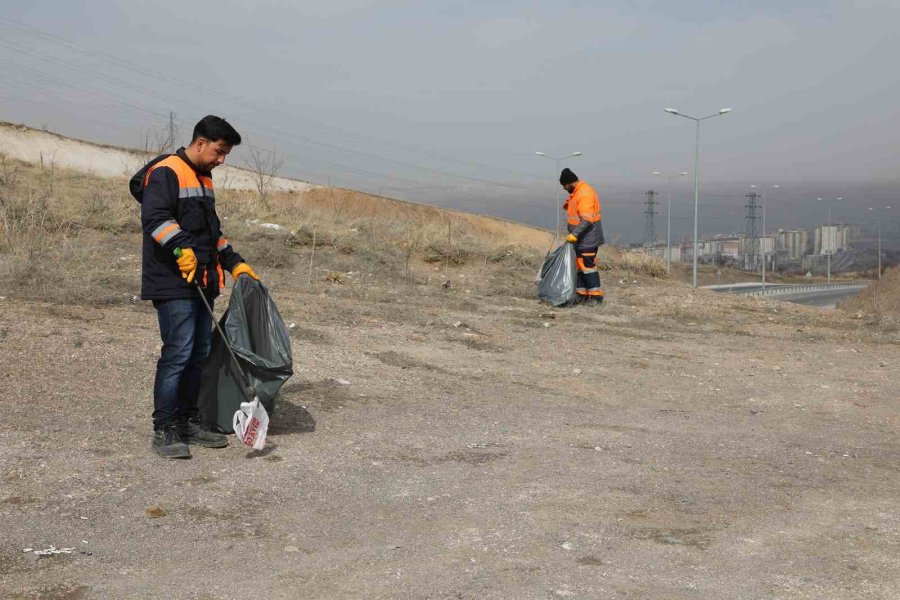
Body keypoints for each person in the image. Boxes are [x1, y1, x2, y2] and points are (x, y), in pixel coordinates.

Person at [130, 115, 260, 459]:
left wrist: (234, 263)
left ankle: (188, 420)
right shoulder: (168, 171)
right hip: (172, 281)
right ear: (200, 142)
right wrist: (179, 248)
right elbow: (155, 219)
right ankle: (166, 427)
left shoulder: (204, 178)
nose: (221, 159)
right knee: (178, 354)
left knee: (199, 355)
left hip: (203, 281)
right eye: (219, 151)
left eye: (226, 154)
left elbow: (211, 231)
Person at [560, 168, 604, 304]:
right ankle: (582, 294)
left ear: (568, 184)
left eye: (564, 186)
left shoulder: (584, 193)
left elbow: (586, 219)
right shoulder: (578, 192)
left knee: (588, 267)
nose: (564, 189)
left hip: (587, 239)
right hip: (581, 240)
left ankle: (596, 296)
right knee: (579, 267)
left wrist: (574, 234)